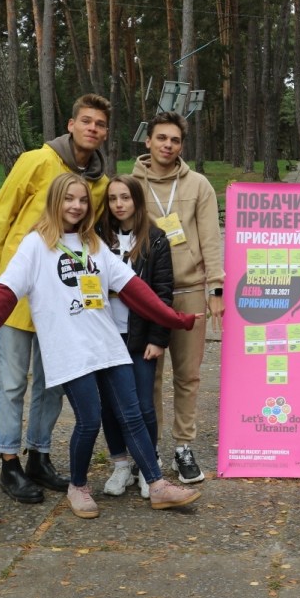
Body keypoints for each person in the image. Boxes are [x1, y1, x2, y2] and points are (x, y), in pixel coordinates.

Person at [0, 173, 202, 519]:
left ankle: (156, 485)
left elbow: (135, 289)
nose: (76, 206)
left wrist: (175, 319)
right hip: (70, 351)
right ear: (54, 201)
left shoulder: (94, 244)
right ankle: (78, 486)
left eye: (82, 200)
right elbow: (5, 290)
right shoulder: (35, 245)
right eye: (69, 199)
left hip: (107, 344)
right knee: (89, 421)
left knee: (133, 415)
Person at [0, 94, 111, 504]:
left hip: (61, 301)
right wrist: (4, 283)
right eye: (86, 121)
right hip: (19, 297)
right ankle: (9, 463)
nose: (92, 128)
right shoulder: (37, 161)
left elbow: (90, 238)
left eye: (100, 124)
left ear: (105, 133)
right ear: (71, 124)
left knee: (51, 385)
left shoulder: (99, 182)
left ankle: (39, 455)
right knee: (12, 384)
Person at [131, 112, 225, 483]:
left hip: (188, 291)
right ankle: (149, 447)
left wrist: (215, 288)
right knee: (147, 377)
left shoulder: (199, 185)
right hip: (145, 296)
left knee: (188, 376)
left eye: (175, 140)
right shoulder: (131, 184)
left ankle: (183, 447)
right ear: (148, 141)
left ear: (181, 145)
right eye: (161, 138)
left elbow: (211, 239)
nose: (168, 145)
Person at [97, 175, 174, 500]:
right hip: (105, 334)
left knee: (143, 405)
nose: (119, 204)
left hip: (141, 336)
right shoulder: (96, 237)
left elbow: (163, 292)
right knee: (110, 405)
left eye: (125, 198)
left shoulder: (155, 239)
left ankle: (147, 464)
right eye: (113, 198)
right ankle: (121, 464)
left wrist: (158, 338)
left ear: (137, 201)